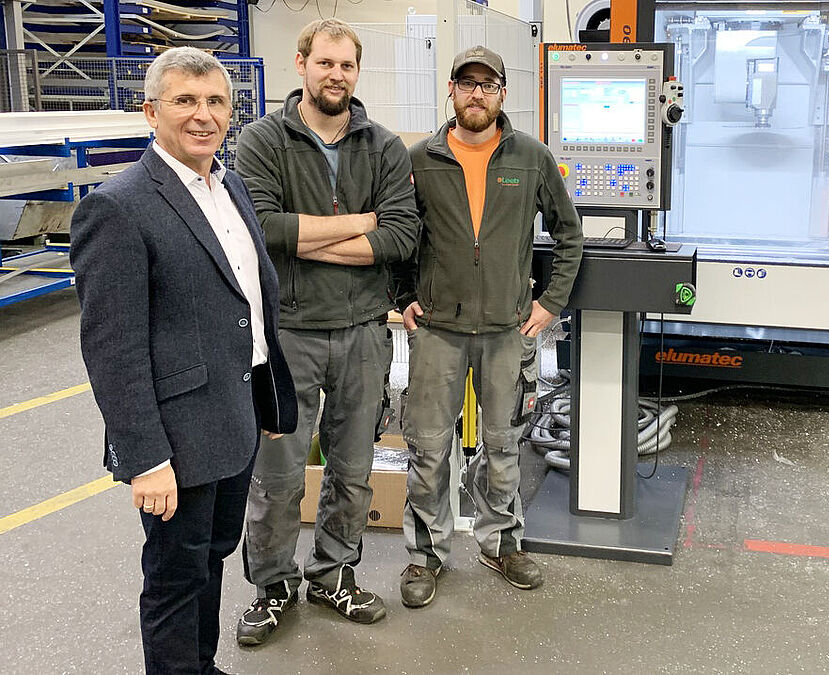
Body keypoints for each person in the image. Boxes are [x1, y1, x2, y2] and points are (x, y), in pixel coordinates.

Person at [70, 47, 298, 674]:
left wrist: (265, 401)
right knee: (175, 577)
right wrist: (146, 460)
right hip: (176, 436)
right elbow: (112, 351)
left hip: (234, 417)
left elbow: (248, 301)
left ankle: (201, 665)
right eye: (185, 101)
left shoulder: (230, 186)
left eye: (216, 101)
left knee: (212, 556)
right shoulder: (118, 206)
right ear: (152, 112)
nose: (204, 115)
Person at [233, 18, 421, 644]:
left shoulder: (383, 147)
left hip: (364, 332)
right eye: (325, 63)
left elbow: (401, 236)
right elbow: (264, 228)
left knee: (353, 468)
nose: (336, 75)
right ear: (302, 64)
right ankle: (272, 586)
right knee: (278, 473)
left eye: (347, 65)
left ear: (357, 72)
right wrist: (360, 223)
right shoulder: (264, 140)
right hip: (288, 334)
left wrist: (309, 238)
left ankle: (333, 574)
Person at [399, 45, 583, 608]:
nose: (476, 94)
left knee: (503, 446)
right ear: (451, 91)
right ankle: (426, 555)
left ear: (503, 93)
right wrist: (402, 298)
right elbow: (398, 235)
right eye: (466, 83)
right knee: (428, 447)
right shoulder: (419, 160)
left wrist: (550, 303)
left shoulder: (532, 157)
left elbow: (569, 234)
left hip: (508, 331)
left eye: (487, 84)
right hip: (438, 331)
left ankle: (501, 543)